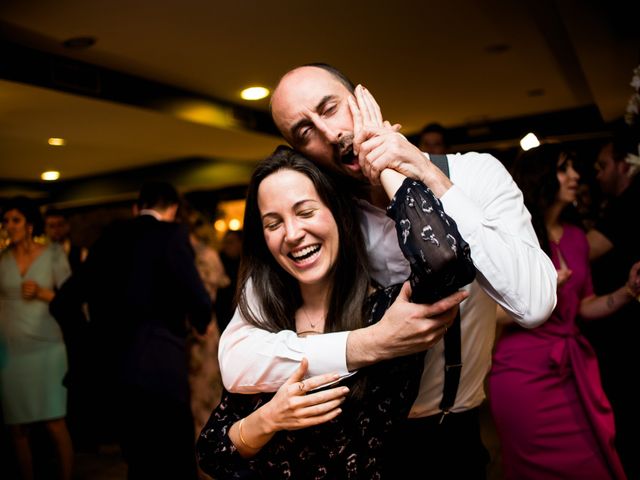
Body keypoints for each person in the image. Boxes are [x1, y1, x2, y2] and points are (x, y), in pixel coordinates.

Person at [218, 63, 557, 479]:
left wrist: (417, 173)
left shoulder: (477, 175)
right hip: (371, 444)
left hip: (460, 432)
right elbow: (237, 356)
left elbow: (534, 302)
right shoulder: (325, 221)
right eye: (304, 132)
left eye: (330, 108)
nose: (327, 133)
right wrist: (372, 342)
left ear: (363, 101)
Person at [197, 145, 474, 478]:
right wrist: (269, 419)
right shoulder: (265, 320)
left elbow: (446, 258)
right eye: (273, 224)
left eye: (306, 211)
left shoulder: (388, 313)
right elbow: (212, 452)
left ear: (340, 214)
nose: (293, 234)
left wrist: (382, 158)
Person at [488, 144, 637, 479]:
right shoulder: (512, 239)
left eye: (574, 168)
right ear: (540, 178)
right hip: (523, 376)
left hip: (574, 370)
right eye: (564, 169)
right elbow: (491, 316)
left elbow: (583, 306)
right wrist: (542, 294)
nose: (575, 176)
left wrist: (627, 292)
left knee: (594, 463)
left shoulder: (576, 238)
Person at [49, 181, 213, 480]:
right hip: (161, 370)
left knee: (138, 462)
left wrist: (87, 338)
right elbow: (197, 297)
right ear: (173, 209)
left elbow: (63, 302)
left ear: (136, 208)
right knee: (175, 460)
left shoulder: (109, 237)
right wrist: (201, 323)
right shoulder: (172, 235)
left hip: (116, 373)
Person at [0, 196, 74, 480]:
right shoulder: (2, 259)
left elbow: (71, 299)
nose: (9, 226)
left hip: (46, 347)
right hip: (9, 350)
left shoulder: (53, 254)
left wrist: (43, 293)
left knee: (54, 422)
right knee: (16, 427)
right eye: (5, 221)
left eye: (15, 220)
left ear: (30, 225)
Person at [583, 127, 640, 478]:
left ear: (624, 165)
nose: (596, 173)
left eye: (603, 165)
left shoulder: (631, 203)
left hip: (626, 333)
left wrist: (558, 238)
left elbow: (586, 251)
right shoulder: (620, 204)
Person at [43, 208, 88, 273]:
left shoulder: (82, 253)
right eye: (51, 226)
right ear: (45, 229)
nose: (56, 229)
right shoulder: (41, 255)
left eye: (60, 225)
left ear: (67, 226)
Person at [215, 229, 242, 332]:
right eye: (225, 242)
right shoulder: (219, 260)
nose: (226, 246)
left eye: (230, 242)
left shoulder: (245, 264)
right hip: (222, 314)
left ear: (240, 244)